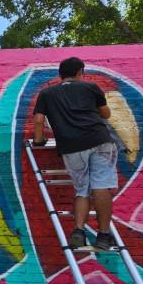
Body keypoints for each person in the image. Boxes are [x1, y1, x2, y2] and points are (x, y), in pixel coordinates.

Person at [32, 57, 117, 250]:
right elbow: (106, 114)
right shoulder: (91, 88)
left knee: (82, 189)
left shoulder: (47, 94)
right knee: (101, 187)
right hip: (99, 140)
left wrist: (38, 141)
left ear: (60, 74)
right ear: (80, 72)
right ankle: (104, 235)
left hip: (71, 146)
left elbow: (38, 120)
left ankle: (78, 231)